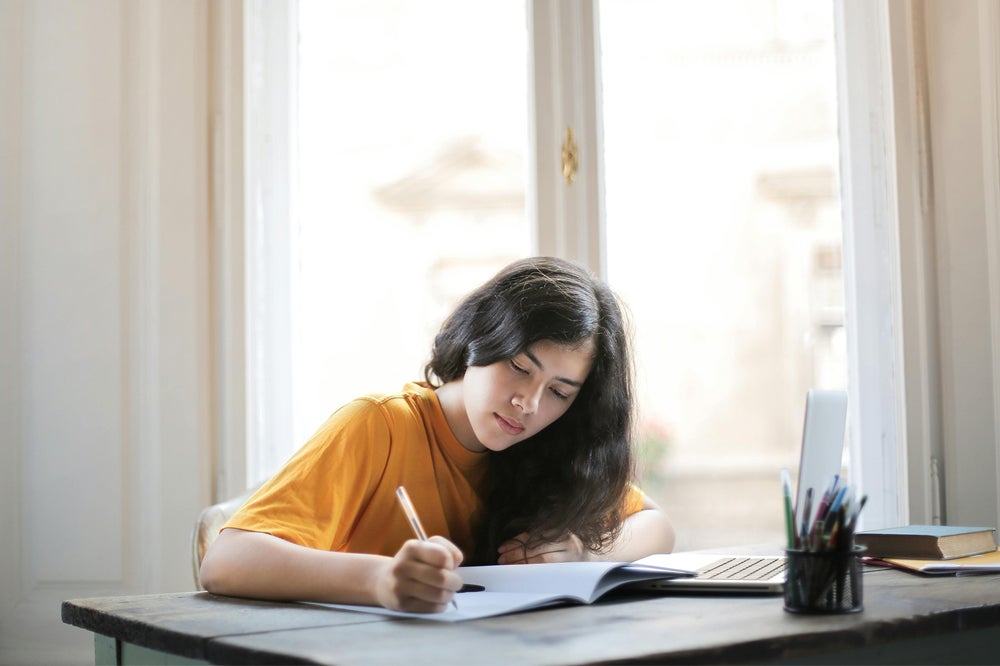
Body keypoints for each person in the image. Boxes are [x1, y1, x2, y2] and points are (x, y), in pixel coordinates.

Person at [199, 256, 675, 613]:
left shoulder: (546, 450)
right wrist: (380, 579)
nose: (529, 403)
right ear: (479, 338)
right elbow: (226, 561)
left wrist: (584, 553)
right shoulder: (380, 425)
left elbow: (657, 526)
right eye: (518, 367)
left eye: (559, 391)